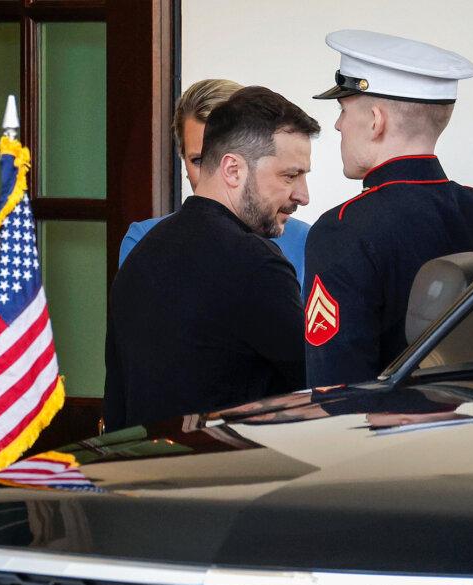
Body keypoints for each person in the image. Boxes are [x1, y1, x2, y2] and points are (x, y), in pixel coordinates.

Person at [303, 29, 473, 387]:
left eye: (344, 110)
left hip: (390, 438)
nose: (339, 125)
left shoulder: (343, 230)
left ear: (376, 121)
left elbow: (336, 386)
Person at [103, 87, 319, 430]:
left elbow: (117, 404)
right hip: (227, 475)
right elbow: (320, 384)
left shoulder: (141, 255)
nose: (302, 196)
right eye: (289, 176)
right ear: (232, 170)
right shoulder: (256, 263)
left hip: (140, 472)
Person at [119, 79, 311, 288]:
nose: (215, 174)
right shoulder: (144, 240)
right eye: (200, 160)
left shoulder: (307, 242)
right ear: (182, 159)